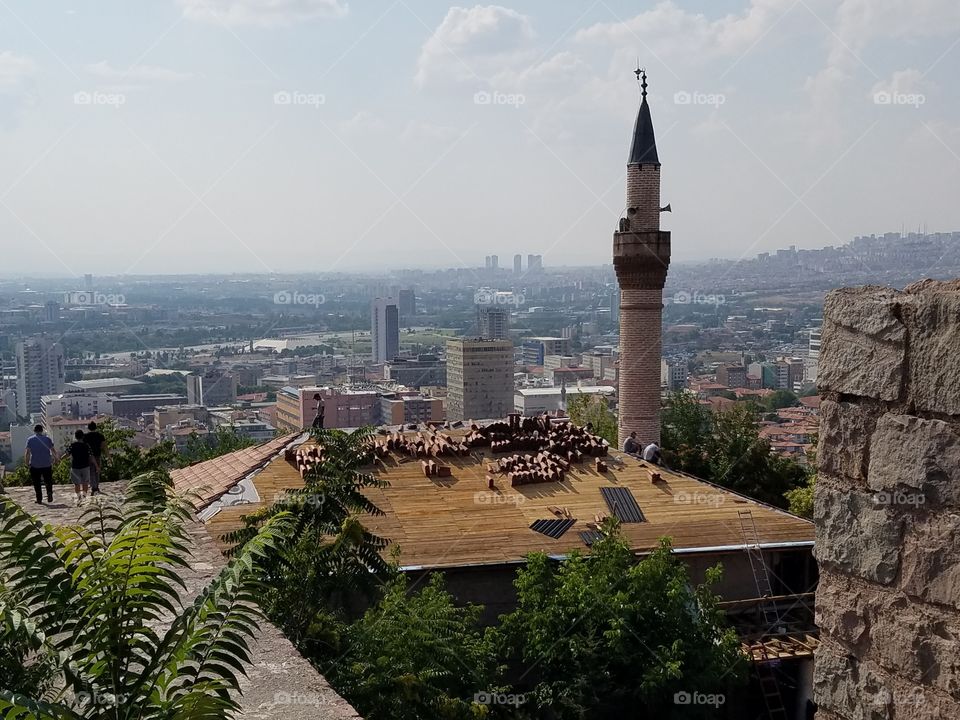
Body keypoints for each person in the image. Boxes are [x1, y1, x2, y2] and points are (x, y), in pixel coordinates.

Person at [25, 424, 57, 504]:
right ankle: (49, 492)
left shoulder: (30, 440)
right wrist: (55, 459)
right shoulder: (47, 439)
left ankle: (39, 498)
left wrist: (27, 462)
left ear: (34, 431)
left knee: (36, 482)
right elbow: (53, 450)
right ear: (42, 430)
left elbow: (27, 453)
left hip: (35, 464)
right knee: (48, 480)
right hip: (47, 463)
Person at [67, 429, 98, 505]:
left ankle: (79, 497)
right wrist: (96, 466)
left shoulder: (73, 445)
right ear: (83, 436)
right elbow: (91, 456)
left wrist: (59, 459)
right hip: (85, 467)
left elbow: (67, 453)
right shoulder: (86, 446)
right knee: (85, 483)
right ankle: (84, 496)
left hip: (75, 467)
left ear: (75, 437)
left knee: (76, 484)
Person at [84, 421, 107, 495]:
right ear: (95, 427)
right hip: (97, 455)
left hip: (88, 456)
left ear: (88, 428)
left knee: (91, 471)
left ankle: (94, 487)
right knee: (97, 471)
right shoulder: (100, 435)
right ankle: (96, 486)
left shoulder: (85, 436)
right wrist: (108, 456)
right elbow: (104, 446)